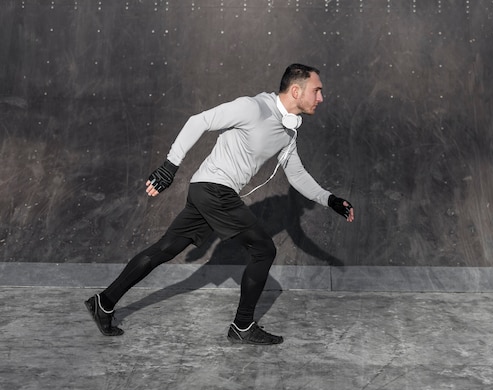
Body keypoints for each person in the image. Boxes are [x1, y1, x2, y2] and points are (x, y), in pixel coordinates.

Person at [84, 63, 355, 345]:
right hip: (215, 189)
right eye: (317, 91)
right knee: (263, 250)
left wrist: (329, 199)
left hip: (209, 193)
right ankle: (242, 326)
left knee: (165, 249)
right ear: (296, 90)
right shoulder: (253, 108)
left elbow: (296, 174)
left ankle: (103, 302)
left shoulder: (287, 132)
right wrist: (169, 166)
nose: (321, 98)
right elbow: (199, 120)